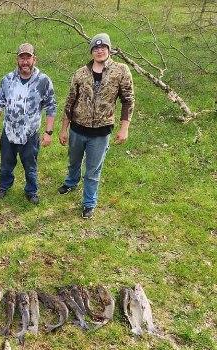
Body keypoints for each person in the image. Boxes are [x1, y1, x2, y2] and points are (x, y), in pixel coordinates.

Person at [58, 33, 135, 219]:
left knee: (93, 170)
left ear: (109, 49)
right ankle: (71, 181)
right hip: (77, 128)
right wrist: (64, 128)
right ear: (91, 51)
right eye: (95, 48)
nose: (99, 50)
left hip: (101, 132)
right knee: (74, 160)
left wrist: (125, 128)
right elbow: (70, 102)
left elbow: (128, 100)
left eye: (103, 47)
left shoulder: (121, 71)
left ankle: (89, 203)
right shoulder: (80, 73)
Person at [0, 43, 56, 204]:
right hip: (9, 131)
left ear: (34, 59)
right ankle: (4, 186)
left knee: (30, 165)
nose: (25, 61)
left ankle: (31, 191)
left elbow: (51, 107)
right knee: (6, 163)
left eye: (28, 57)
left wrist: (48, 132)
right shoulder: (7, 80)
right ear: (17, 59)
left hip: (30, 134)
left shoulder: (43, 81)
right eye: (22, 57)